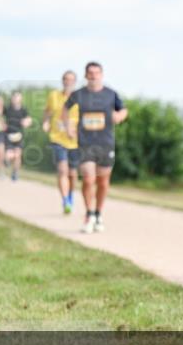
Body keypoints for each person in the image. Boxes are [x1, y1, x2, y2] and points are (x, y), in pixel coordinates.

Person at [62, 62, 129, 234]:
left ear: (101, 74)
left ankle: (98, 213)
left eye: (96, 73)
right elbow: (65, 109)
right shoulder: (79, 94)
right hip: (85, 143)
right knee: (88, 179)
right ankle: (89, 213)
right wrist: (68, 126)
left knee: (103, 182)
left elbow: (123, 110)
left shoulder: (110, 94)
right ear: (85, 76)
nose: (93, 76)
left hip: (105, 143)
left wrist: (119, 116)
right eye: (90, 73)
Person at [43, 70, 81, 213]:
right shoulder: (54, 96)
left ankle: (70, 195)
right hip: (57, 138)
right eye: (65, 79)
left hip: (75, 141)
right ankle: (65, 200)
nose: (68, 82)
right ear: (62, 81)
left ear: (75, 82)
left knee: (72, 173)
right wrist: (45, 122)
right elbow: (47, 111)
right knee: (62, 170)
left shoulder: (80, 98)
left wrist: (76, 131)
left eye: (71, 79)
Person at [2, 91, 32, 181]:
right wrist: (2, 124)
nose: (15, 98)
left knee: (18, 155)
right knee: (9, 155)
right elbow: (0, 117)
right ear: (11, 98)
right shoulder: (7, 109)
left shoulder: (23, 110)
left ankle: (15, 172)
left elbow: (28, 120)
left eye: (17, 97)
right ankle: (6, 161)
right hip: (8, 135)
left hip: (19, 135)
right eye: (14, 97)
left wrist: (26, 122)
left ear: (20, 99)